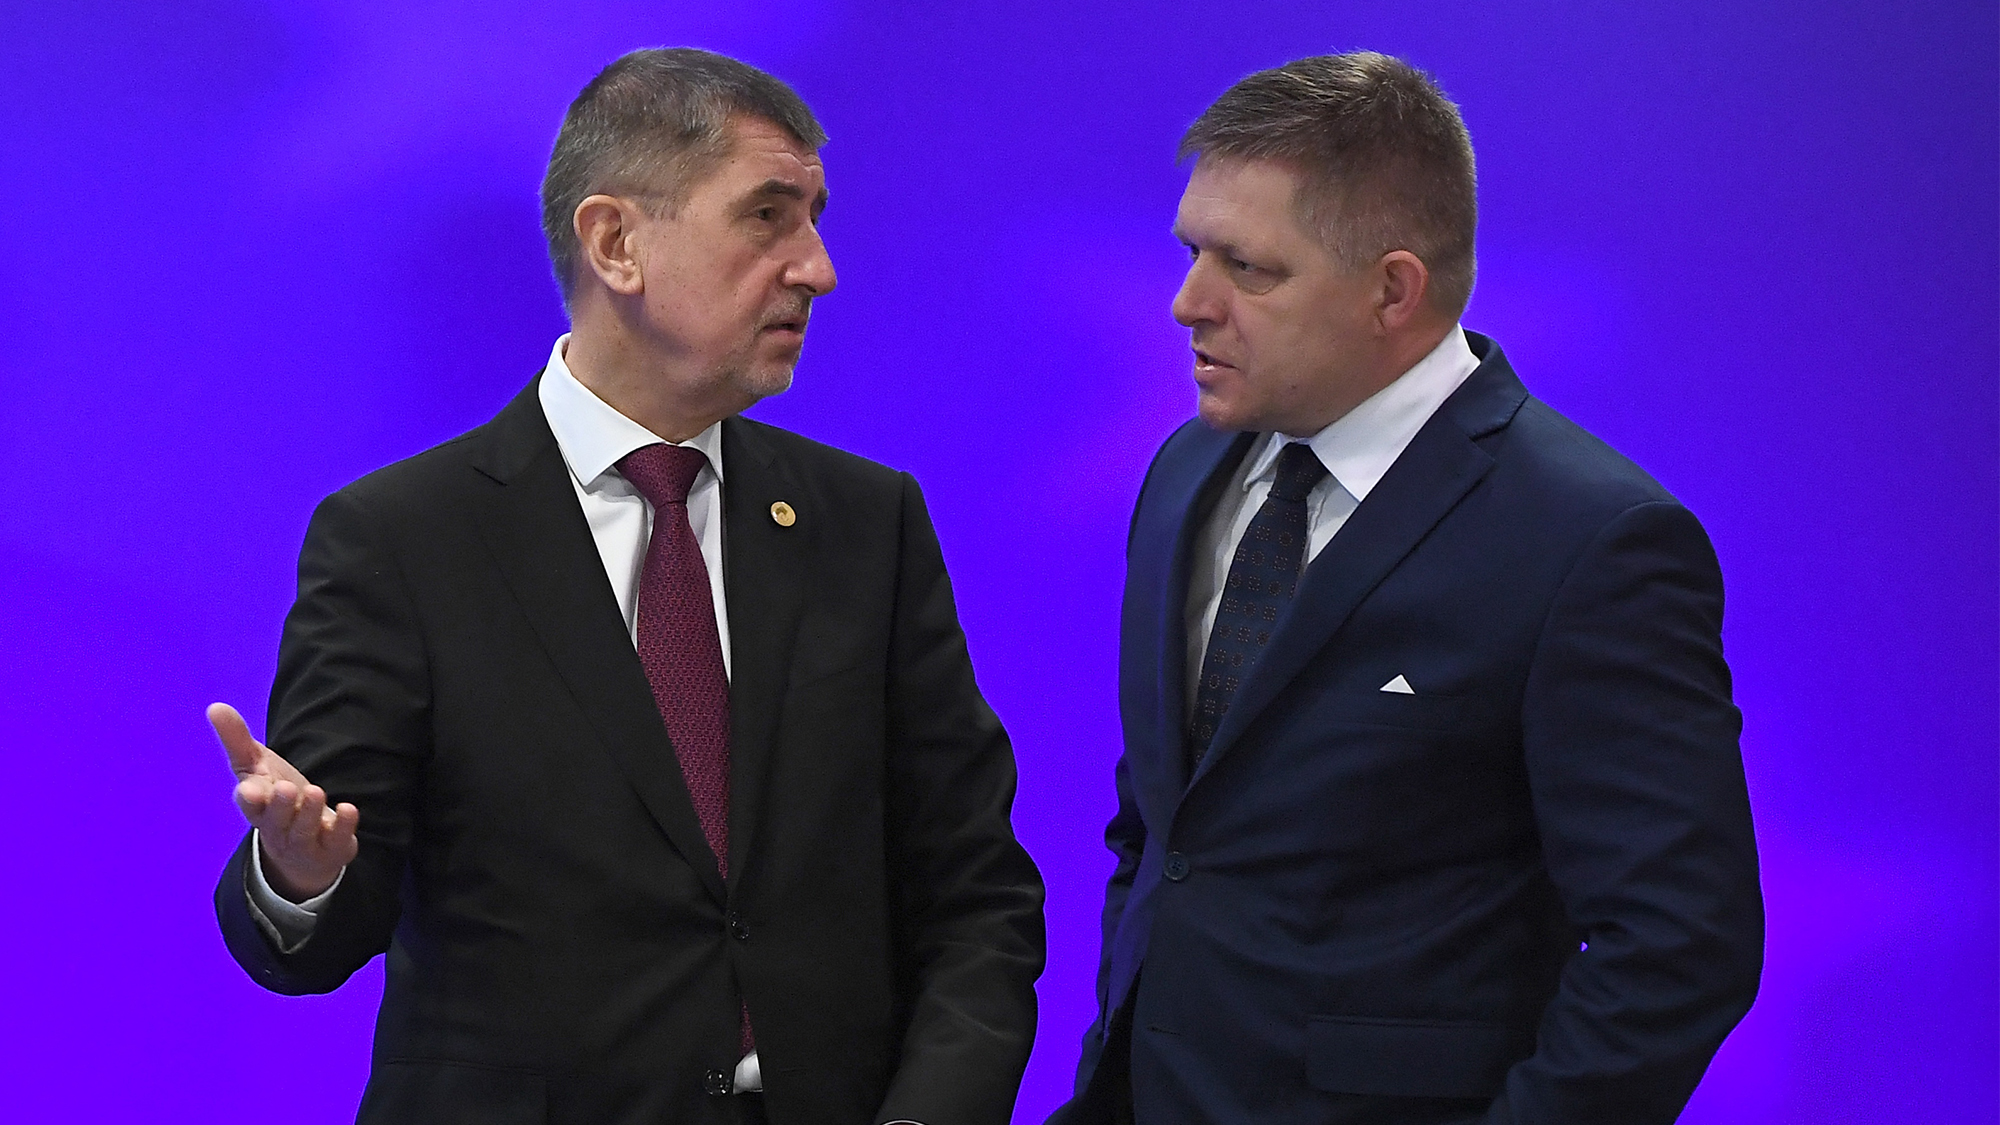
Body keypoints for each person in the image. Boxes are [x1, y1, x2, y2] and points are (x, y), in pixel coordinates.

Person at [209, 47, 1044, 1125]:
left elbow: (975, 894)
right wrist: (300, 873)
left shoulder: (865, 521)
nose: (817, 268)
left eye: (814, 219)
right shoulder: (399, 539)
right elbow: (314, 937)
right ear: (615, 243)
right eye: (767, 217)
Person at [1050, 52, 1761, 1125]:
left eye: (1247, 268)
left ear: (1392, 289)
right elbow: (1165, 833)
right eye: (1191, 251)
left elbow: (1678, 946)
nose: (1187, 303)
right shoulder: (1183, 472)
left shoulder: (1591, 540)